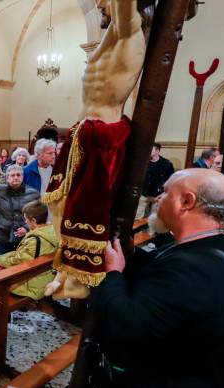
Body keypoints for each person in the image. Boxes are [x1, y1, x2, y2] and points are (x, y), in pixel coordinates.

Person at [90, 168, 224, 388]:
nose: (159, 199)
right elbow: (167, 288)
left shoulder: (189, 268)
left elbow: (125, 329)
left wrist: (114, 274)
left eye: (165, 192)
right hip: (197, 384)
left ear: (186, 201)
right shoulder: (222, 248)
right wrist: (132, 256)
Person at [41, 0, 145, 299]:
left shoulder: (129, 30)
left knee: (83, 207)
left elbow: (126, 11)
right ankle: (66, 269)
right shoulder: (112, 35)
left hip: (102, 132)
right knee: (59, 203)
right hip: (86, 130)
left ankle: (78, 275)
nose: (99, 3)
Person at [0, 200, 57, 301]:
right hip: (46, 275)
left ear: (33, 220)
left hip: (33, 283)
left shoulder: (35, 240)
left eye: (26, 219)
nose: (25, 222)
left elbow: (20, 261)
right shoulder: (52, 231)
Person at [141, 143, 175, 217]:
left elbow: (171, 180)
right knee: (139, 218)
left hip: (157, 195)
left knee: (154, 218)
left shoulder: (166, 164)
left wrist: (164, 194)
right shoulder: (143, 161)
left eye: (150, 149)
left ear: (157, 151)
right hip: (143, 194)